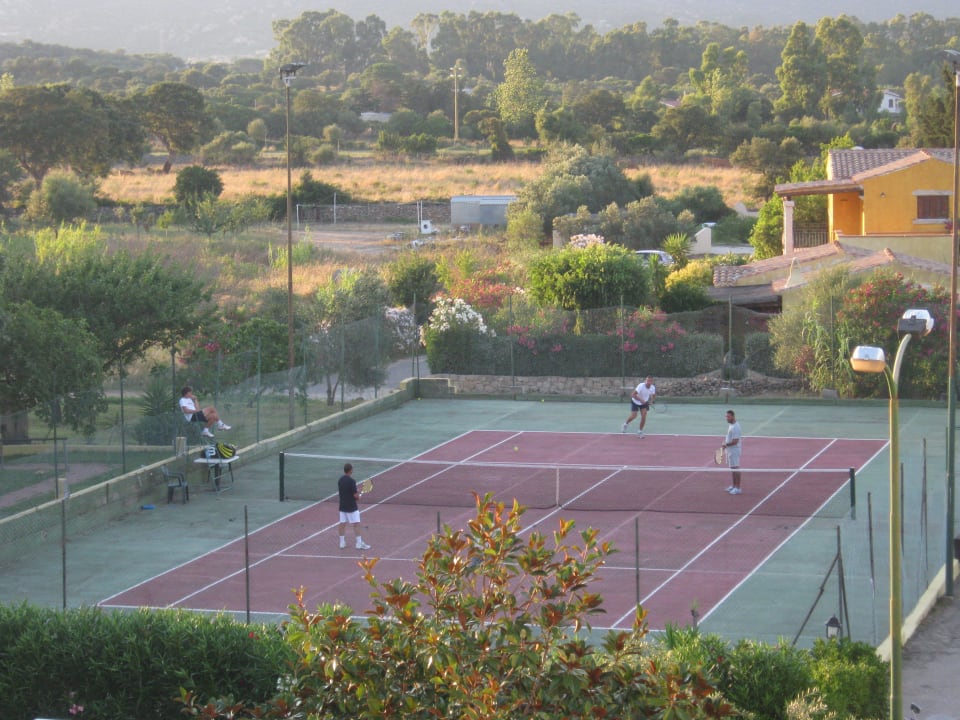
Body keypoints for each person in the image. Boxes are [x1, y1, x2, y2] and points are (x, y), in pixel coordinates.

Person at [338, 463, 371, 550]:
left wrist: (355, 491)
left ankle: (342, 543)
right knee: (356, 524)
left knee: (342, 524)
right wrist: (359, 496)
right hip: (351, 507)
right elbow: (356, 496)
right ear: (351, 470)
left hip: (342, 506)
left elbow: (345, 491)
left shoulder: (340, 480)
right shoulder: (352, 481)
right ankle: (359, 543)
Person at [723, 409, 743, 494]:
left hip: (734, 450)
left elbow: (735, 441)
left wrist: (725, 445)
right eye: (726, 417)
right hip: (730, 450)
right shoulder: (731, 425)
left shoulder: (736, 427)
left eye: (728, 417)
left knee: (736, 468)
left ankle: (738, 488)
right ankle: (734, 486)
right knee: (733, 469)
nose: (726, 418)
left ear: (733, 416)